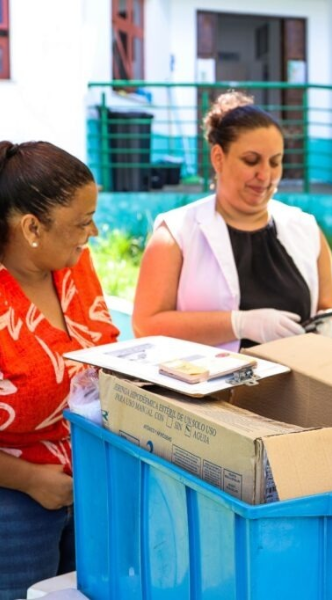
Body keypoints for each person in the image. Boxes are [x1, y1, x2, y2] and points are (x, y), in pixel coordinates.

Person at [132, 92, 332, 351]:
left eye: (275, 162)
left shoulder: (306, 230)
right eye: (251, 160)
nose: (265, 175)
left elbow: (329, 307)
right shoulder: (176, 235)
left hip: (297, 376)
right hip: (204, 377)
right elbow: (146, 326)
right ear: (218, 158)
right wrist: (238, 324)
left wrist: (329, 326)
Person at [0, 141, 119, 599]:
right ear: (32, 227)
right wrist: (31, 480)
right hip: (14, 505)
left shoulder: (73, 265)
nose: (93, 232)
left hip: (87, 486)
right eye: (82, 222)